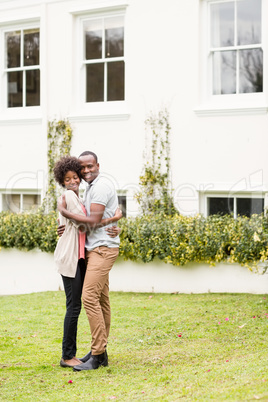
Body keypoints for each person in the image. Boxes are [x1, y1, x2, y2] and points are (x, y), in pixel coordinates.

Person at [53, 155, 122, 368]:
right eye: (74, 174)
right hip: (83, 253)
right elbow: (82, 224)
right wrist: (113, 218)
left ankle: (98, 353)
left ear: (98, 166)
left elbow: (88, 223)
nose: (82, 174)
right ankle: (92, 352)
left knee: (90, 298)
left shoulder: (95, 188)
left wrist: (113, 221)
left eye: (87, 167)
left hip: (98, 250)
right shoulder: (80, 193)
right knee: (92, 301)